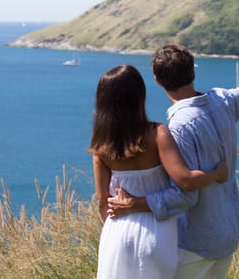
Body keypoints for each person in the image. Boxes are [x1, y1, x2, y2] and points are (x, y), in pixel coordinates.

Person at [107, 45, 239, 278]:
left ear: (157, 81)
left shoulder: (178, 128)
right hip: (227, 234)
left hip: (195, 244)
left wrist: (136, 204)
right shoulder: (223, 101)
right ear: (193, 73)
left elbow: (185, 194)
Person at [88, 64, 228, 279]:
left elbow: (102, 202)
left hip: (115, 232)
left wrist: (114, 229)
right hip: (156, 232)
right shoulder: (157, 134)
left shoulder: (100, 146)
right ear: (139, 96)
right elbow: (185, 180)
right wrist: (216, 174)